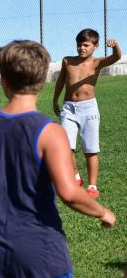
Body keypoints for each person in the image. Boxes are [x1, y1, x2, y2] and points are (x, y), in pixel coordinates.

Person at [0, 40, 116, 278]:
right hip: (44, 252)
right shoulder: (51, 132)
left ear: (3, 80)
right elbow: (69, 193)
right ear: (42, 82)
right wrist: (102, 212)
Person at [52, 29, 121, 198]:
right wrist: (55, 100)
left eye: (86, 45)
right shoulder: (67, 61)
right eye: (79, 44)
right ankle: (75, 177)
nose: (81, 48)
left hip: (89, 109)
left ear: (95, 46)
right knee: (66, 147)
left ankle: (92, 186)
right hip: (68, 108)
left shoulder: (97, 62)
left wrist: (115, 46)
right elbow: (61, 80)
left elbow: (116, 57)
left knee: (90, 150)